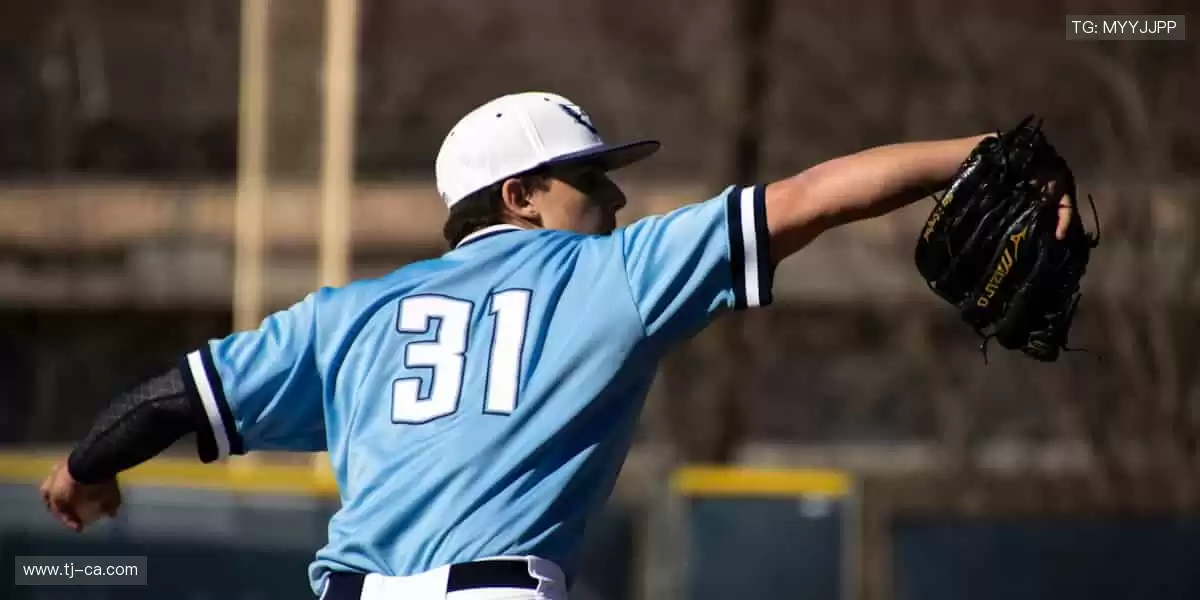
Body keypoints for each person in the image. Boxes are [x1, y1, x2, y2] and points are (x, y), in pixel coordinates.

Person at [39, 91, 1075, 600]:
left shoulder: (344, 316)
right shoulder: (611, 276)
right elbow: (808, 198)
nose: (614, 197)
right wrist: (977, 151)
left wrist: (84, 471)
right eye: (591, 178)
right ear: (522, 195)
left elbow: (173, 397)